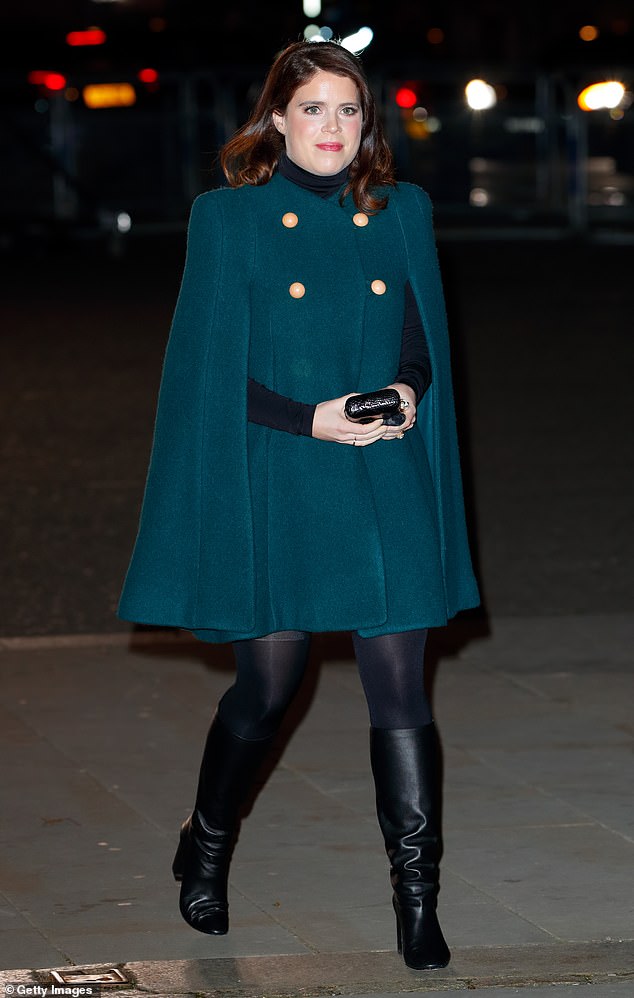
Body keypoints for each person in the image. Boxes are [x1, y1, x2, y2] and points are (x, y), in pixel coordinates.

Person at [118, 39, 479, 972]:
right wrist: (307, 419)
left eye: (350, 110)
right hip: (282, 471)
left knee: (402, 688)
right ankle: (206, 838)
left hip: (383, 471)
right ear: (276, 117)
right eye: (314, 108)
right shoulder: (229, 221)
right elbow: (205, 375)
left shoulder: (403, 212)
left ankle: (416, 900)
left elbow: (419, 337)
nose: (333, 128)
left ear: (369, 124)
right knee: (268, 689)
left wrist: (404, 389)